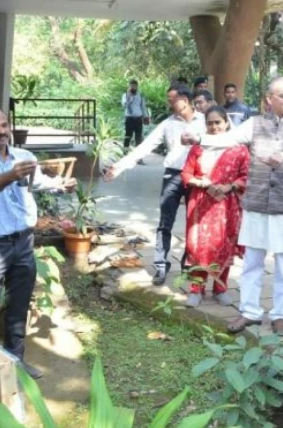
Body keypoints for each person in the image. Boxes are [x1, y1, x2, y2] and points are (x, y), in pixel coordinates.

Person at [0, 106, 77, 385]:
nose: (2, 131)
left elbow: (37, 182)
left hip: (24, 242)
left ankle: (16, 359)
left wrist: (63, 184)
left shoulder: (24, 156)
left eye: (4, 125)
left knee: (19, 305)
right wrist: (12, 175)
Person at [225, 76, 283, 335]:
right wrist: (198, 138)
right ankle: (249, 312)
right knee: (252, 262)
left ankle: (279, 315)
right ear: (269, 99)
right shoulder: (254, 124)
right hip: (257, 203)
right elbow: (227, 139)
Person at [104, 86, 206, 285]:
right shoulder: (168, 124)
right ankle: (160, 265)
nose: (169, 103)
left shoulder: (203, 121)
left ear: (185, 100)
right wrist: (120, 166)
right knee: (165, 222)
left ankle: (188, 265)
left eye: (172, 99)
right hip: (173, 175)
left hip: (196, 177)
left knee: (194, 222)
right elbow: (145, 147)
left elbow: (220, 142)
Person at [180, 106, 250, 308]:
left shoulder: (239, 149)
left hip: (227, 204)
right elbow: (186, 174)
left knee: (224, 245)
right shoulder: (198, 148)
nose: (214, 127)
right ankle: (196, 289)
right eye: (209, 123)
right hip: (201, 202)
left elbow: (246, 176)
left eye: (218, 122)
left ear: (226, 123)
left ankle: (220, 288)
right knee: (199, 246)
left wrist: (230, 186)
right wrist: (200, 182)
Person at [121, 79, 150, 149]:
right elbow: (124, 105)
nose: (133, 87)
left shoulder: (140, 95)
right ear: (129, 86)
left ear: (137, 86)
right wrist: (129, 99)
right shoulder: (125, 95)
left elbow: (143, 106)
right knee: (128, 136)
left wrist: (146, 116)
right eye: (132, 86)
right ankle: (125, 151)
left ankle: (138, 154)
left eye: (135, 86)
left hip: (138, 118)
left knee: (138, 137)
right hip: (129, 118)